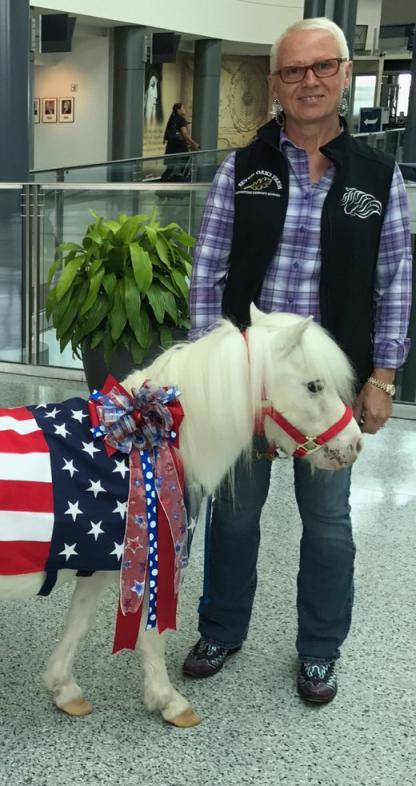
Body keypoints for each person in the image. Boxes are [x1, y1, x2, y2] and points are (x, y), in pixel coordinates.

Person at [182, 17, 412, 704]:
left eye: (321, 68)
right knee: (235, 513)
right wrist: (209, 373)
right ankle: (221, 627)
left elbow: (396, 278)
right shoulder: (243, 168)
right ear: (274, 82)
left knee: (329, 520)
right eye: (292, 70)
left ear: (344, 73)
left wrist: (383, 376)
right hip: (247, 383)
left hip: (327, 389)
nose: (307, 82)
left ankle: (319, 648)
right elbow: (207, 272)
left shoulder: (376, 174)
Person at [161, 103, 199, 182]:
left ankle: (162, 183)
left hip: (171, 147)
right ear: (178, 110)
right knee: (186, 166)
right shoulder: (181, 120)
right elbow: (185, 134)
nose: (185, 109)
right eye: (183, 108)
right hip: (180, 147)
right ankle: (188, 185)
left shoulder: (173, 118)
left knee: (170, 167)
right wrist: (193, 144)